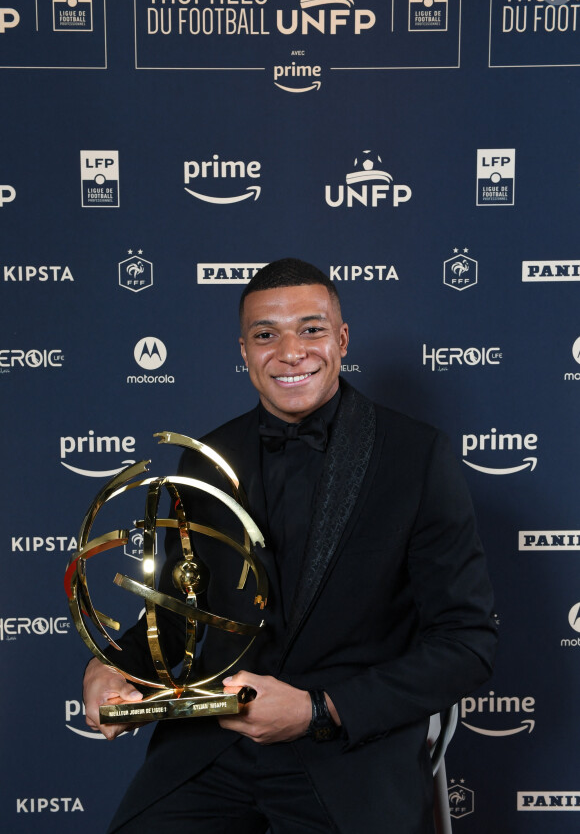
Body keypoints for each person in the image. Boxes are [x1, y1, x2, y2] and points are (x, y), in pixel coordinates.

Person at [83, 258, 497, 834]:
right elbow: (175, 622)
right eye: (265, 334)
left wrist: (316, 711)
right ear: (245, 350)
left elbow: (467, 643)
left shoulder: (416, 456)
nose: (290, 351)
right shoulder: (203, 459)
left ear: (342, 339)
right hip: (211, 748)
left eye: (311, 328)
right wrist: (113, 668)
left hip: (349, 753)